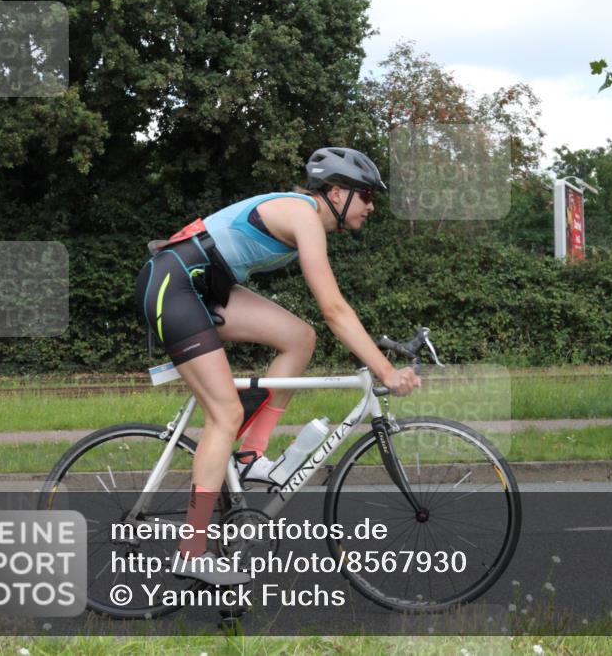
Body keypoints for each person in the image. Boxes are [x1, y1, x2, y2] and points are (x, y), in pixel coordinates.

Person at [134, 147, 420, 584]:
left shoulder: (307, 218)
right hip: (173, 284)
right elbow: (333, 309)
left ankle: (250, 456)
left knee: (300, 339)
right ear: (337, 193)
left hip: (203, 286)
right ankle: (191, 551)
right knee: (225, 414)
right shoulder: (304, 215)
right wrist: (385, 371)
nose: (371, 206)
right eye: (365, 195)